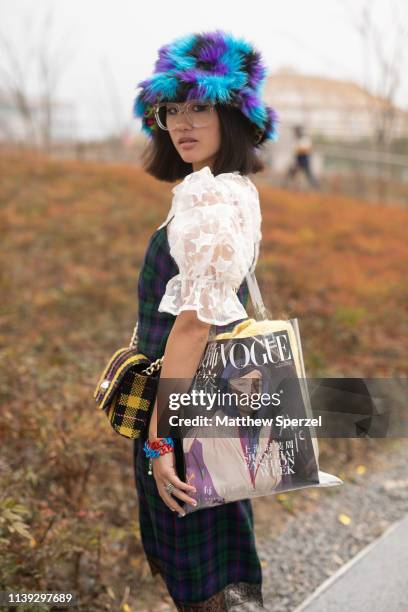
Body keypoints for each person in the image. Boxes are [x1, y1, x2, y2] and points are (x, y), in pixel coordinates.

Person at [132, 29, 279, 611]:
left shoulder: (211, 201)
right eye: (172, 109)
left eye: (201, 106)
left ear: (235, 115)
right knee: (207, 568)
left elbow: (194, 327)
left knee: (198, 580)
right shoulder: (223, 190)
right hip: (203, 407)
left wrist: (160, 438)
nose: (183, 122)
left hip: (186, 416)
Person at [283, 125, 319, 189]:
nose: (296, 133)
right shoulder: (297, 140)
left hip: (304, 159)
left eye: (297, 131)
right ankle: (286, 184)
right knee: (292, 171)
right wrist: (297, 151)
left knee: (308, 174)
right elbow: (296, 150)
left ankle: (315, 186)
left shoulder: (305, 139)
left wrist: (299, 150)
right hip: (298, 159)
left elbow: (307, 149)